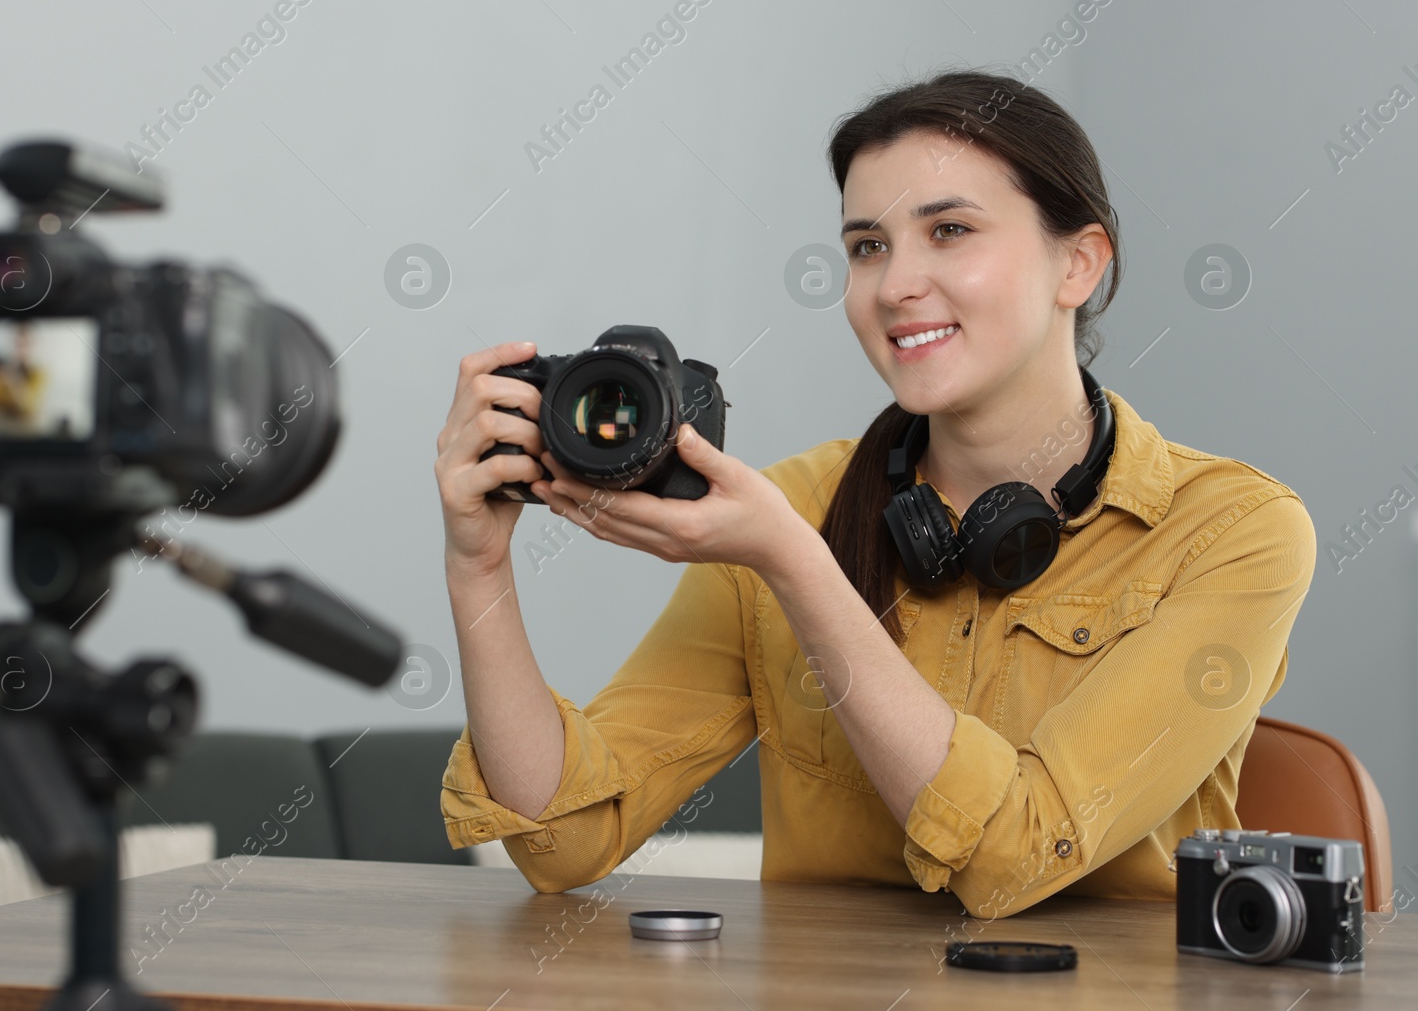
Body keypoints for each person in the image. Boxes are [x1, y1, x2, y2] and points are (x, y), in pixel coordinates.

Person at [431, 67, 1315, 919]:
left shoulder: (1235, 532)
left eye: (952, 231)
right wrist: (479, 567)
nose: (894, 286)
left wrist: (799, 569)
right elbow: (563, 839)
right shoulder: (787, 511)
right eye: (867, 246)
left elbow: (1014, 857)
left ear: (1078, 265)